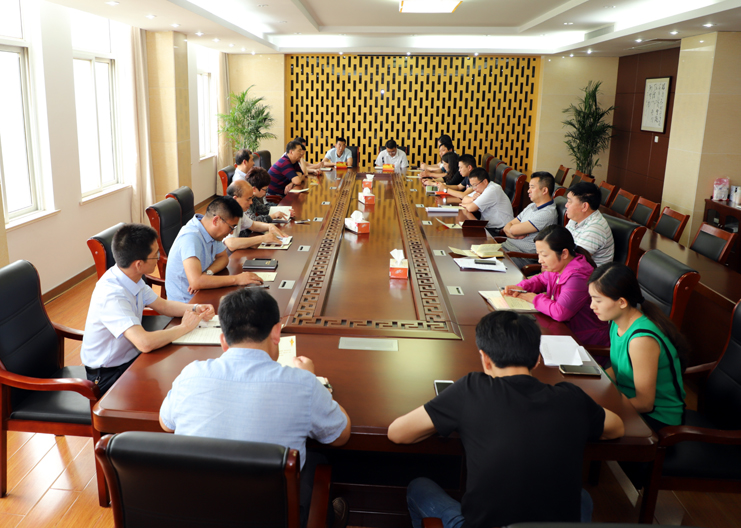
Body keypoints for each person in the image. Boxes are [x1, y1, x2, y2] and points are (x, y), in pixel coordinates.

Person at [388, 311, 624, 528]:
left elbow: (398, 433)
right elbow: (616, 428)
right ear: (537, 359)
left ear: (485, 359)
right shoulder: (572, 398)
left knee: (419, 486)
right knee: (582, 497)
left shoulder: (471, 389)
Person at [159, 287, 351, 528]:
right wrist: (313, 380)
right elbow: (341, 435)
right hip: (271, 516)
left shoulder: (191, 375)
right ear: (276, 333)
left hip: (198, 512)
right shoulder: (302, 384)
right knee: (317, 460)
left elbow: (166, 424)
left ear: (223, 340)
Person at [81, 224, 215, 394]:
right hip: (108, 375)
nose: (159, 257)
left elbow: (163, 305)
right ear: (139, 264)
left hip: (132, 359)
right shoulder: (112, 295)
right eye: (155, 255)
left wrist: (196, 308)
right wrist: (184, 327)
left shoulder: (131, 277)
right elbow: (144, 343)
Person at [588, 263, 687, 431]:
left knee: (584, 425)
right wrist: (594, 384)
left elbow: (645, 403)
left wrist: (599, 407)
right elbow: (618, 370)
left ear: (621, 302)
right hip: (626, 399)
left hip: (658, 419)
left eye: (598, 300)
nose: (592, 306)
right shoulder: (617, 321)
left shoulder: (641, 340)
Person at [503, 225, 609, 347]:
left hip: (582, 341)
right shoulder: (558, 266)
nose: (540, 260)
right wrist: (522, 287)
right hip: (561, 331)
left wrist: (534, 299)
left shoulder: (578, 276)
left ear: (564, 253)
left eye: (544, 255)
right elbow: (541, 280)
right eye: (538, 254)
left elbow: (561, 312)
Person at [164, 196, 264, 303]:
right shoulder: (191, 237)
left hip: (203, 293)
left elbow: (223, 258)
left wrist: (207, 273)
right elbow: (196, 282)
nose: (231, 232)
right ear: (216, 220)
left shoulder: (211, 231)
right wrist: (237, 279)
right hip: (187, 303)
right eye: (231, 227)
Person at [500, 171, 558, 257]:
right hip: (506, 248)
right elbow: (508, 226)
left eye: (532, 187)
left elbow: (512, 229)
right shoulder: (532, 205)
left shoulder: (547, 213)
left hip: (519, 255)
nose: (528, 191)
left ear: (544, 190)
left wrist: (511, 231)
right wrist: (513, 234)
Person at [225, 180, 286, 250]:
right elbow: (231, 244)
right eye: (248, 199)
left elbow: (252, 225)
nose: (251, 202)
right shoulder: (225, 213)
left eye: (251, 199)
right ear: (235, 199)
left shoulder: (238, 211)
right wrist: (263, 238)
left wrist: (269, 226)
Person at [565, 182, 615, 266]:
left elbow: (575, 262)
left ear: (584, 206)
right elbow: (561, 243)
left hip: (587, 272)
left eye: (569, 202)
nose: (566, 205)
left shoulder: (595, 228)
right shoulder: (575, 218)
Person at [460, 168, 513, 236]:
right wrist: (472, 198)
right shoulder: (481, 188)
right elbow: (464, 199)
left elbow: (471, 208)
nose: (474, 188)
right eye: (472, 185)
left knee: (466, 235)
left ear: (485, 181)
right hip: (489, 226)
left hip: (500, 229)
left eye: (475, 185)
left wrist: (466, 204)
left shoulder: (492, 190)